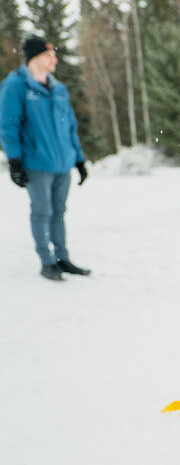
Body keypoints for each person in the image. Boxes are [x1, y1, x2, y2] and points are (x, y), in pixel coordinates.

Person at [1, 36, 89, 281]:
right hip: (36, 163)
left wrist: (79, 160)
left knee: (59, 211)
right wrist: (15, 161)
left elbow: (70, 127)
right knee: (42, 211)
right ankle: (47, 261)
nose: (55, 60)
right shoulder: (16, 85)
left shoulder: (59, 88)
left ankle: (63, 258)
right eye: (49, 55)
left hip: (62, 163)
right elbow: (8, 127)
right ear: (36, 58)